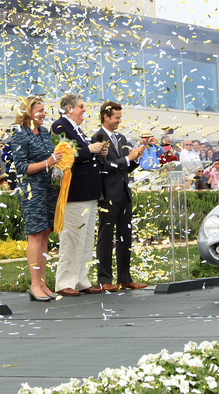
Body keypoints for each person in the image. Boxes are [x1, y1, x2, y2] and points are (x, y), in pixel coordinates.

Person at [50, 93, 106, 297]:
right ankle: (64, 281)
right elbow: (64, 154)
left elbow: (82, 151)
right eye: (81, 107)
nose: (84, 110)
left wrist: (97, 152)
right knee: (72, 238)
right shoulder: (59, 126)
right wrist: (89, 150)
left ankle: (81, 279)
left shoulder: (76, 128)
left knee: (86, 238)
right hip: (75, 191)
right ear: (69, 109)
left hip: (88, 190)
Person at [92, 100, 147, 292]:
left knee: (125, 236)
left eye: (120, 117)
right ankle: (104, 279)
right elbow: (104, 166)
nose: (119, 121)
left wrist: (136, 157)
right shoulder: (97, 138)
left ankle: (125, 277)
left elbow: (126, 166)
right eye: (116, 117)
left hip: (124, 192)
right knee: (106, 237)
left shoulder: (121, 138)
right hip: (107, 194)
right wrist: (127, 158)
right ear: (106, 117)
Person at [9, 96, 60, 302]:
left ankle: (42, 281)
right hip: (31, 189)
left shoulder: (45, 133)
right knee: (36, 234)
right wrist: (47, 163)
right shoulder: (19, 134)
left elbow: (52, 157)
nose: (43, 114)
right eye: (39, 111)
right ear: (28, 112)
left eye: (44, 110)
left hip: (49, 186)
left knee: (46, 233)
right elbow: (21, 168)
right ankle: (34, 284)